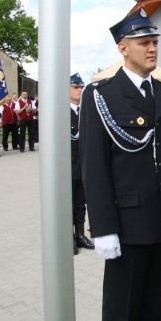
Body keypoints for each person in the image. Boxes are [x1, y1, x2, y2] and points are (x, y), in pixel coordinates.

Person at [79, 7, 161, 320]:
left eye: (155, 41)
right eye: (144, 42)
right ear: (123, 48)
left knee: (158, 305)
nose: (153, 48)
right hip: (127, 224)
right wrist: (103, 228)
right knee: (123, 307)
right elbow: (94, 167)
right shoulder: (101, 95)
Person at [69, 73, 94, 255]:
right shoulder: (60, 112)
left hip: (84, 163)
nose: (79, 90)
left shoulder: (85, 110)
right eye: (76, 87)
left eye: (81, 87)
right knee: (68, 202)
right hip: (68, 164)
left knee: (81, 202)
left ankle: (80, 234)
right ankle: (68, 236)